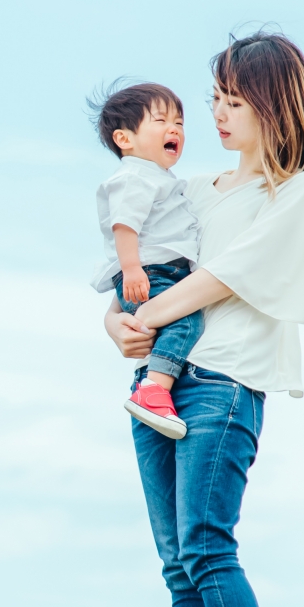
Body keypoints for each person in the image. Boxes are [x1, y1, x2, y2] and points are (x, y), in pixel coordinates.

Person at [104, 31, 304, 607]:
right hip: (157, 383)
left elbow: (223, 276)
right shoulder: (191, 191)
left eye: (234, 101)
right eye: (214, 101)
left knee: (207, 543)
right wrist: (116, 323)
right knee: (177, 561)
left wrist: (149, 313)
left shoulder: (296, 193)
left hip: (224, 383)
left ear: (272, 104)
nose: (217, 115)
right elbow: (145, 266)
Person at [88, 82, 204, 440]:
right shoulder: (135, 175)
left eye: (180, 123)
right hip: (152, 271)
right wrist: (132, 268)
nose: (174, 129)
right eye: (160, 120)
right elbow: (124, 225)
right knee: (185, 322)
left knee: (175, 324)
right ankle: (154, 389)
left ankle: (154, 387)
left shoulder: (157, 177)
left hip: (159, 270)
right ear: (125, 139)